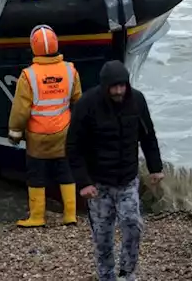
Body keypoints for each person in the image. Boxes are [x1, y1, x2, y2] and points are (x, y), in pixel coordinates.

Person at [67, 61, 164, 281]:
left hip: (128, 180)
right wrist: (83, 183)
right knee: (103, 236)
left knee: (133, 226)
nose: (119, 91)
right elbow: (73, 147)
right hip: (98, 185)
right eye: (114, 87)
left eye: (122, 86)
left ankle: (127, 273)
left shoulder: (137, 100)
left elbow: (148, 136)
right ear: (104, 86)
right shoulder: (87, 104)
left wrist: (155, 167)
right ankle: (106, 276)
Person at [8, 25, 83, 228]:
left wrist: (14, 132)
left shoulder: (28, 75)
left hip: (37, 136)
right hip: (63, 132)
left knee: (36, 175)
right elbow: (78, 100)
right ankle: (70, 215)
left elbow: (20, 109)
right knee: (65, 171)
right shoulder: (70, 70)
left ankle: (37, 217)